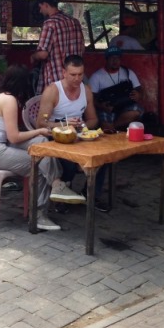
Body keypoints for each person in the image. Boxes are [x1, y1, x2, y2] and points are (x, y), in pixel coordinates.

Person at [0, 65, 84, 231]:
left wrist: (39, 134)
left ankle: (57, 184)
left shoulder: (3, 96)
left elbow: (11, 136)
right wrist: (38, 129)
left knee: (41, 142)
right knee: (37, 164)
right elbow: (14, 137)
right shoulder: (8, 100)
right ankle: (38, 216)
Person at [37, 54, 109, 212]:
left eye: (80, 74)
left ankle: (91, 195)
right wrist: (64, 124)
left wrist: (82, 125)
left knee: (104, 157)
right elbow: (41, 123)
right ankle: (62, 196)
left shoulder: (86, 90)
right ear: (64, 73)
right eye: (73, 75)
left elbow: (93, 119)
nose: (77, 79)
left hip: (78, 136)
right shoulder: (53, 90)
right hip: (56, 138)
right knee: (68, 163)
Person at [31, 0, 84, 95]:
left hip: (56, 81)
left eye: (40, 7)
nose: (40, 11)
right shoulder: (74, 22)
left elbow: (43, 54)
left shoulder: (49, 23)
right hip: (75, 79)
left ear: (46, 5)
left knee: (53, 110)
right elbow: (82, 49)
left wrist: (33, 56)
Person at [88, 46, 144, 131]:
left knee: (136, 111)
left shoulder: (127, 72)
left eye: (117, 58)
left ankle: (113, 126)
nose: (115, 61)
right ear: (106, 59)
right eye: (112, 58)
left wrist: (138, 94)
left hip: (125, 106)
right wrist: (101, 106)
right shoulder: (97, 76)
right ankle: (109, 127)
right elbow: (91, 97)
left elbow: (139, 88)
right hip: (107, 108)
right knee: (105, 123)